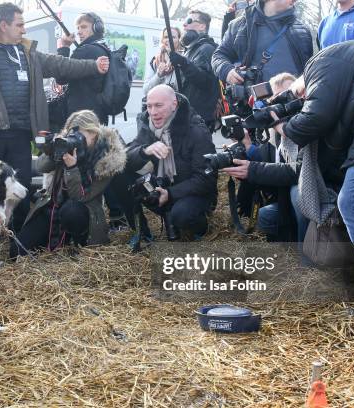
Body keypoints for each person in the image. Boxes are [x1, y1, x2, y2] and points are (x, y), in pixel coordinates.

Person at [0, 2, 109, 233]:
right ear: (3, 25)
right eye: (20, 24)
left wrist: (93, 66)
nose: (24, 30)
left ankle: (18, 244)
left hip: (21, 135)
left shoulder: (28, 53)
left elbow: (62, 65)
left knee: (21, 189)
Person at [274, 39, 354, 304]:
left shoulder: (320, 62)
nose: (303, 99)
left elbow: (317, 116)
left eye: (300, 96)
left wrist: (284, 128)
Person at [11, 110, 126, 257]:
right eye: (72, 135)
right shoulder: (66, 145)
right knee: (17, 252)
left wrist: (72, 168)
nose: (76, 140)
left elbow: (80, 197)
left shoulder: (106, 159)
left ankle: (78, 244)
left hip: (84, 213)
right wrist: (54, 150)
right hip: (53, 207)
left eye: (81, 136)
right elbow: (40, 167)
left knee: (72, 211)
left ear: (94, 133)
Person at [123, 85, 217, 242]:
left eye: (159, 105)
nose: (153, 112)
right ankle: (142, 232)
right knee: (120, 172)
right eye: (149, 106)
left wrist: (171, 194)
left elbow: (206, 180)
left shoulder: (197, 131)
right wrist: (145, 150)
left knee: (181, 215)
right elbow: (126, 156)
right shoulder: (148, 126)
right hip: (161, 189)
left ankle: (200, 225)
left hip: (190, 194)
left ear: (174, 105)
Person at [221, 73, 308, 243]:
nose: (281, 106)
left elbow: (296, 171)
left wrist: (252, 169)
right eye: (275, 100)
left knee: (298, 194)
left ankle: (306, 254)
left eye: (287, 97)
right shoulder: (272, 130)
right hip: (283, 201)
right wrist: (246, 147)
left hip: (310, 194)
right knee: (265, 215)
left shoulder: (307, 125)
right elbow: (270, 160)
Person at [212, 0, 313, 85]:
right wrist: (227, 71)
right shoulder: (238, 26)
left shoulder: (303, 31)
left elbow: (310, 71)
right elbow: (218, 55)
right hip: (254, 104)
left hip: (295, 104)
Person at [169, 10, 221, 132]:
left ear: (202, 26)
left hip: (197, 119)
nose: (184, 25)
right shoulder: (192, 49)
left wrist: (183, 63)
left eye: (189, 21)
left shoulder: (206, 48)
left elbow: (206, 82)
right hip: (187, 115)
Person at [56, 12, 110, 125]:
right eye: (78, 28)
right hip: (98, 115)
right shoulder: (103, 48)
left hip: (81, 117)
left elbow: (61, 77)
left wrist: (64, 47)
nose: (79, 31)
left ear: (97, 28)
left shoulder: (86, 50)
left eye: (84, 27)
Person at [143, 27, 182, 95]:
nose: (169, 40)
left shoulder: (184, 61)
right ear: (162, 40)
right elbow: (146, 91)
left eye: (173, 37)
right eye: (166, 37)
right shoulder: (155, 61)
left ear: (179, 39)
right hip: (158, 103)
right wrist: (159, 75)